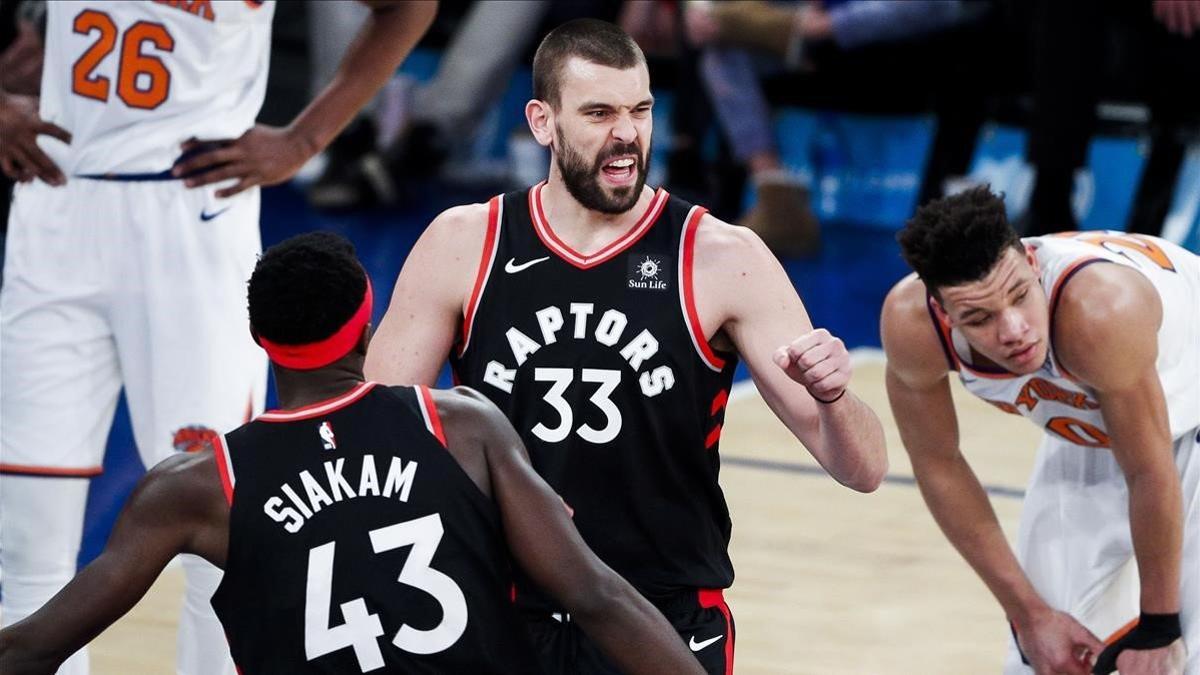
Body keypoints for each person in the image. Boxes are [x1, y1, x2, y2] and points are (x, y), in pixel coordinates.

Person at [364, 18, 889, 675]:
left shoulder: (723, 257)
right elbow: (374, 440)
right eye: (599, 112)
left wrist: (836, 398)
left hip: (658, 620)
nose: (626, 134)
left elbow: (863, 468)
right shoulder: (465, 242)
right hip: (501, 610)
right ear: (542, 121)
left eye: (640, 109)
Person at [0, 231, 707, 675]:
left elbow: (33, 647)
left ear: (261, 342)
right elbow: (596, 593)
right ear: (366, 328)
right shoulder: (460, 426)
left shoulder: (200, 485)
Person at [0, 2, 436, 674]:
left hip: (191, 216)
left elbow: (408, 8)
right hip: (57, 205)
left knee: (218, 543)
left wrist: (305, 139)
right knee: (29, 546)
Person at [880, 187, 1199, 674]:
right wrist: (1028, 615)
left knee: (1181, 654)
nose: (1013, 331)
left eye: (1019, 296)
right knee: (1043, 654)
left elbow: (1150, 470)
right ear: (944, 312)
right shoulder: (911, 325)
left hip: (1182, 407)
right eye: (979, 318)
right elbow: (938, 465)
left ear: (1032, 261)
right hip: (1100, 418)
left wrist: (1158, 624)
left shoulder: (1100, 313)